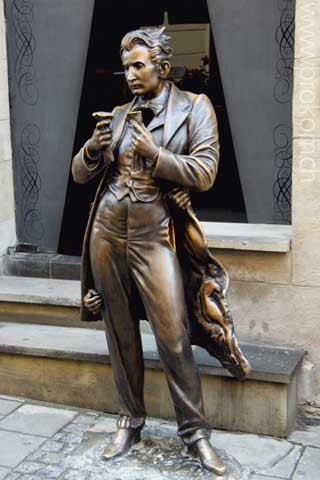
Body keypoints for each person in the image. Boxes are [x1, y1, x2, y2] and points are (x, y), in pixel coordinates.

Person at [72, 26, 250, 475]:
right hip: (108, 233)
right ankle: (130, 419)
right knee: (120, 333)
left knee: (172, 335)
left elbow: (205, 171)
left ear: (162, 68)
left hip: (156, 235)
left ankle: (195, 433)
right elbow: (79, 175)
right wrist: (93, 148)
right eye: (126, 65)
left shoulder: (194, 108)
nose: (129, 74)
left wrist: (156, 155)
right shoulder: (116, 115)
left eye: (139, 65)